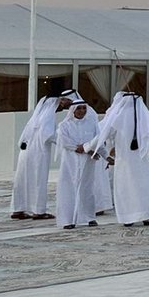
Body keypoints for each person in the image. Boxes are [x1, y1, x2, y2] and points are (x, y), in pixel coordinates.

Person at [92, 91, 149, 227]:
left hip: (125, 161)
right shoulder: (143, 115)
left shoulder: (118, 117)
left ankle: (129, 218)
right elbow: (148, 136)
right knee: (143, 186)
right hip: (139, 161)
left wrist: (87, 146)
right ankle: (146, 216)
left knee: (126, 187)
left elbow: (103, 132)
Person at [10, 93, 69, 220]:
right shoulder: (48, 117)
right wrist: (69, 143)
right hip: (38, 153)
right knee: (39, 180)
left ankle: (18, 209)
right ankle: (39, 211)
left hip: (25, 152)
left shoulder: (36, 118)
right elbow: (49, 135)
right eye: (60, 104)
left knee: (22, 180)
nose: (62, 107)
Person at [54, 95, 103, 229]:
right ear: (73, 110)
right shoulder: (64, 125)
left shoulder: (92, 124)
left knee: (87, 189)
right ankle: (68, 220)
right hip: (70, 162)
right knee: (69, 189)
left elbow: (98, 140)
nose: (82, 111)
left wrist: (105, 156)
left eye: (84, 108)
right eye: (79, 108)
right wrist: (79, 148)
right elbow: (64, 142)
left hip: (87, 162)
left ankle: (89, 218)